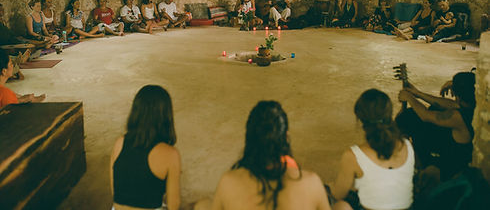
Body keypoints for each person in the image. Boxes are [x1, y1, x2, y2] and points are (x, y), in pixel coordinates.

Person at [199, 100, 330, 210]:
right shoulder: (311, 183)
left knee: (202, 205)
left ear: (248, 138)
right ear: (286, 137)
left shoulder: (228, 182)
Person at [330, 89, 414, 210]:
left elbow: (338, 194)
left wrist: (328, 186)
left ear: (360, 119)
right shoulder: (406, 145)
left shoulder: (353, 155)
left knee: (340, 206)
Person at [110, 85, 181, 210]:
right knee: (203, 205)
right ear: (166, 115)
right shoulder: (170, 154)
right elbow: (173, 205)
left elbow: (115, 192)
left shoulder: (119, 143)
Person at [396, 72, 476, 181]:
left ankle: (417, 163)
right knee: (432, 109)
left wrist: (410, 98)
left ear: (457, 96)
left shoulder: (458, 117)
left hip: (451, 164)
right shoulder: (472, 106)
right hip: (452, 150)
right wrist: (418, 93)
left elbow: (425, 116)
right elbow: (446, 104)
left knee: (411, 119)